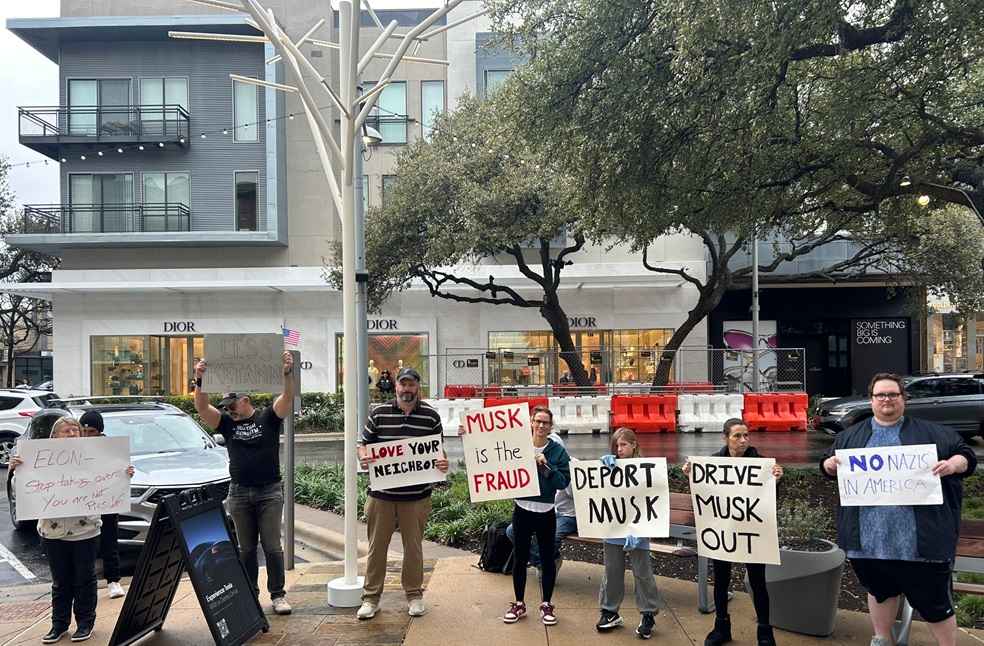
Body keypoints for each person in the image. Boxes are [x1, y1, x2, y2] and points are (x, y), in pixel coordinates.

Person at [821, 372, 976, 646]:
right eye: (880, 395)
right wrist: (828, 466)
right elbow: (828, 465)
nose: (886, 400)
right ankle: (882, 639)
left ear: (904, 398)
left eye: (893, 394)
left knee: (935, 605)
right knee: (880, 592)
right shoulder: (850, 437)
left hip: (920, 546)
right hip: (870, 543)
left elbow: (966, 455)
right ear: (871, 400)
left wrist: (953, 464)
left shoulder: (934, 433)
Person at [9, 417, 133, 643]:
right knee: (60, 581)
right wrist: (17, 471)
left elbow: (110, 484)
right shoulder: (39, 460)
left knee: (85, 579)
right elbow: (23, 494)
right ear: (54, 437)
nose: (71, 434)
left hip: (85, 531)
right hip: (52, 532)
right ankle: (59, 625)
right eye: (66, 431)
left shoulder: (94, 459)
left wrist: (124, 474)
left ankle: (85, 623)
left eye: (75, 431)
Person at [193, 351, 296, 616]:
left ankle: (278, 594)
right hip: (239, 493)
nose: (228, 409)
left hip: (269, 492)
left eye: (232, 405)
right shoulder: (227, 424)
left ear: (245, 400)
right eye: (226, 406)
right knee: (246, 548)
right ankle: (251, 593)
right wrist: (199, 380)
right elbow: (202, 408)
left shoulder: (267, 418)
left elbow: (286, 399)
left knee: (272, 546)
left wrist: (286, 373)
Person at [356, 367, 449, 620]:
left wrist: (442, 463)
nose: (406, 389)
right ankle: (371, 598)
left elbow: (439, 450)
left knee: (414, 548)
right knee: (377, 549)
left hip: (416, 497)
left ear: (418, 387)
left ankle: (414, 595)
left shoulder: (430, 416)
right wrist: (364, 457)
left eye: (411, 385)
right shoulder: (379, 413)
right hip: (381, 495)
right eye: (403, 384)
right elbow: (363, 444)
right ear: (395, 386)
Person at [683, 418, 784, 646]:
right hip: (724, 532)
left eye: (746, 435)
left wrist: (776, 480)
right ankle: (721, 627)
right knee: (721, 580)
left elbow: (767, 500)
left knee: (758, 582)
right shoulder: (714, 463)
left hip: (752, 532)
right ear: (725, 437)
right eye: (737, 436)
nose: (743, 440)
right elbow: (705, 492)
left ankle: (765, 632)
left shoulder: (759, 463)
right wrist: (691, 474)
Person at [503, 405, 571, 626]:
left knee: (547, 559)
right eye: (538, 421)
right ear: (531, 422)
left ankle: (546, 604)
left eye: (546, 422)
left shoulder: (557, 451)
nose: (541, 425)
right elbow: (494, 458)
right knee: (520, 558)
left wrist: (545, 466)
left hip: (546, 512)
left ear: (551, 427)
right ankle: (519, 603)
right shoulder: (518, 446)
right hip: (522, 508)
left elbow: (563, 482)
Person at [596, 427, 662, 640]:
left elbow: (652, 502)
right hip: (614, 529)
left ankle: (648, 613)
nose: (619, 449)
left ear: (634, 445)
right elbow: (597, 493)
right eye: (616, 445)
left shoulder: (646, 470)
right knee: (612, 571)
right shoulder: (609, 467)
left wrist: (642, 532)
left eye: (623, 444)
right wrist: (600, 467)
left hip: (638, 531)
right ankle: (609, 611)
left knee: (643, 573)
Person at [505, 431, 578, 575]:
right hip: (551, 510)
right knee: (511, 531)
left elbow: (572, 493)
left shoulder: (573, 463)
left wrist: (552, 469)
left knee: (553, 535)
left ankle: (545, 565)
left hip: (569, 515)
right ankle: (546, 562)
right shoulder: (534, 461)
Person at [79, 411, 125, 600]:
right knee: (83, 543)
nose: (87, 435)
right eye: (84, 431)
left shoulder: (112, 448)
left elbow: (120, 469)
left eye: (92, 431)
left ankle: (113, 580)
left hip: (106, 498)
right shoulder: (72, 449)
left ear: (100, 431)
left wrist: (126, 472)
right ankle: (84, 583)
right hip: (80, 500)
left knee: (109, 540)